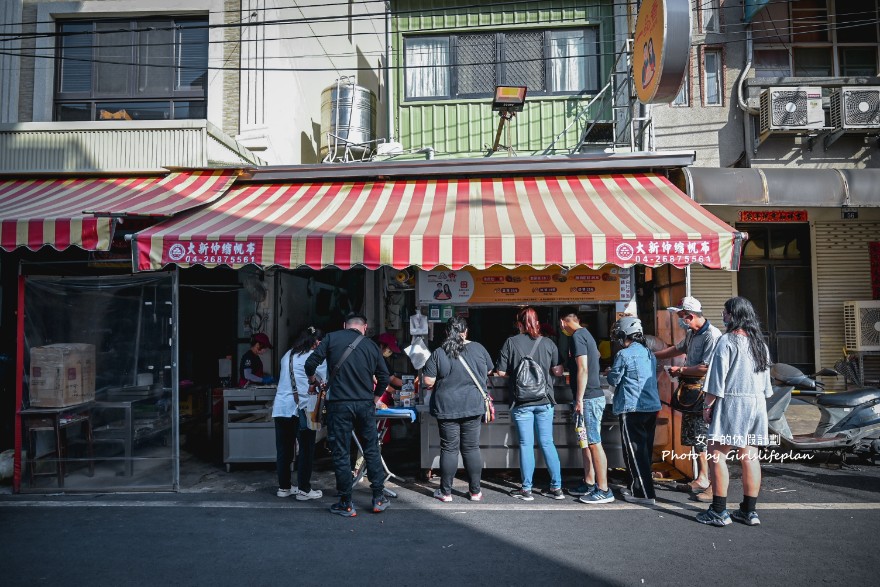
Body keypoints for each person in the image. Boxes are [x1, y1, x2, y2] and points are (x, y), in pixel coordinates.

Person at [696, 297, 774, 527]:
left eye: (726, 312)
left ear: (734, 315)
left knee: (716, 454)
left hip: (733, 402)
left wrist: (707, 406)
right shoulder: (761, 344)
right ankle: (749, 511)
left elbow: (716, 379)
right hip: (757, 404)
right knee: (750, 456)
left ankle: (719, 510)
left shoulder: (727, 341)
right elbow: (767, 385)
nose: (723, 315)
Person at [304, 312, 390, 517]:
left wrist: (312, 381)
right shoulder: (370, 346)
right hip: (364, 405)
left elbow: (310, 364)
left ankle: (346, 503)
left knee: (341, 452)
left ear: (345, 325)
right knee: (371, 449)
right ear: (365, 327)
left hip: (339, 406)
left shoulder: (332, 338)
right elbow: (384, 377)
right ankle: (378, 498)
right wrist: (375, 399)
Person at [653, 296, 722, 502]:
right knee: (695, 438)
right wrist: (653, 354)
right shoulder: (693, 333)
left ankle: (713, 485)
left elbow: (706, 368)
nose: (680, 320)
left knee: (705, 438)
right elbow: (677, 349)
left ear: (690, 316)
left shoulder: (712, 335)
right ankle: (701, 477)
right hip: (690, 391)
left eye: (682, 316)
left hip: (704, 393)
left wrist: (681, 369)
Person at [422, 316, 493, 502]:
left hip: (447, 407)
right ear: (466, 331)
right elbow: (489, 371)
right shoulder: (478, 348)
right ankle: (475, 492)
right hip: (472, 405)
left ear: (447, 332)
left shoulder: (439, 352)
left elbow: (428, 381)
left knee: (449, 448)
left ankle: (445, 493)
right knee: (471, 448)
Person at [496, 307, 565, 501]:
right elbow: (558, 371)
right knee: (547, 442)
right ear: (537, 323)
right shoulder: (549, 343)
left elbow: (500, 373)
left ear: (519, 324)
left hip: (522, 402)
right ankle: (556, 488)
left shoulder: (511, 342)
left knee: (526, 444)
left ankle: (526, 490)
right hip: (545, 401)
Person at [559, 307, 614, 504]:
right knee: (585, 442)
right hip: (587, 397)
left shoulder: (576, 337)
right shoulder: (586, 335)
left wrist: (580, 399)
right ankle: (590, 482)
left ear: (562, 322)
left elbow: (582, 368)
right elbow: (597, 355)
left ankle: (604, 489)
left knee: (593, 442)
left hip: (588, 398)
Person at [607, 316, 661, 506]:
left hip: (632, 407)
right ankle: (634, 487)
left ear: (624, 334)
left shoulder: (624, 354)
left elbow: (614, 380)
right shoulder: (649, 353)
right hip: (652, 406)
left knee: (634, 452)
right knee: (644, 451)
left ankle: (644, 494)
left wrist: (610, 372)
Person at [274, 326, 326, 501]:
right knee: (306, 449)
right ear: (316, 342)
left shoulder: (287, 356)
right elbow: (324, 381)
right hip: (304, 408)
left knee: (283, 449)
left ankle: (284, 487)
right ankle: (304, 489)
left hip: (281, 408)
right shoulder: (316, 358)